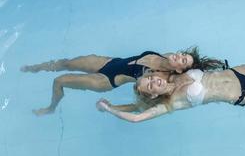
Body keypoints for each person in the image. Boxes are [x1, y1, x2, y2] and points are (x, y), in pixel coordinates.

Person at [21, 46, 226, 116]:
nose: (179, 55)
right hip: (110, 62)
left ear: (180, 69)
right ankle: (34, 68)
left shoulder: (161, 79)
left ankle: (50, 108)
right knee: (66, 62)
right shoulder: (167, 56)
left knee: (59, 81)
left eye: (182, 60)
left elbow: (140, 105)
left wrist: (112, 107)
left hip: (106, 79)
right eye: (182, 54)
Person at [97, 63, 245, 123]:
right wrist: (109, 109)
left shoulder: (174, 73)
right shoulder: (172, 103)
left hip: (242, 71)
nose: (153, 81)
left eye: (149, 78)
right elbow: (137, 116)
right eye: (149, 86)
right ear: (152, 95)